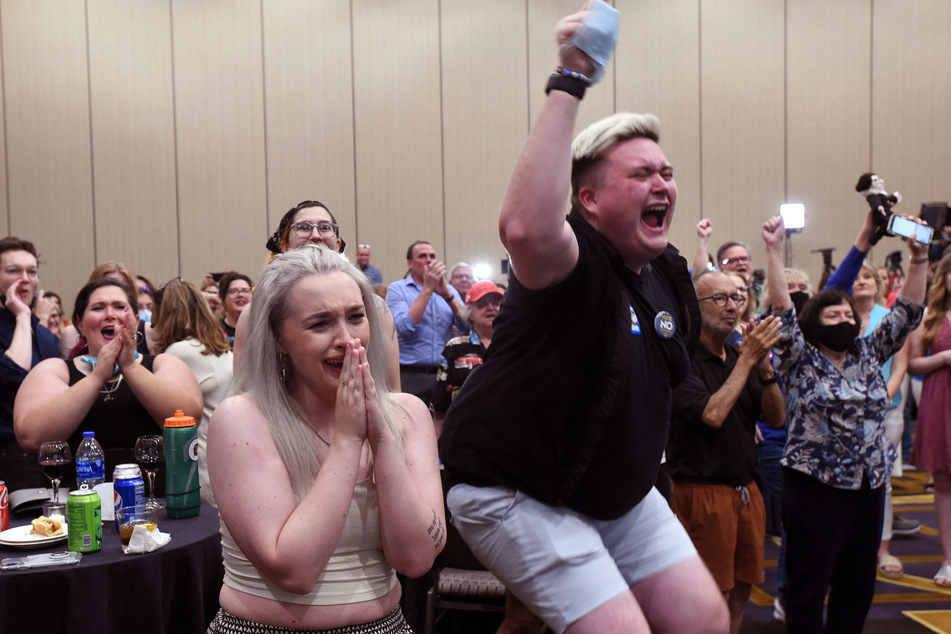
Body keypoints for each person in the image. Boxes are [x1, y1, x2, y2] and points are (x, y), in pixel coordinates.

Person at [439, 6, 727, 633]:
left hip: (612, 493)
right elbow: (522, 226)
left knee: (703, 619)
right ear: (589, 201)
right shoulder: (571, 259)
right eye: (642, 173)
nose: (663, 183)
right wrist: (571, 78)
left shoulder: (666, 272)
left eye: (667, 172)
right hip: (511, 490)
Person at [205, 244, 443, 633]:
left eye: (356, 317)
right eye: (320, 324)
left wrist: (383, 440)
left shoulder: (408, 413)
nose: (348, 339)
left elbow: (416, 559)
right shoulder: (243, 418)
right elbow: (293, 570)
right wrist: (349, 443)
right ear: (280, 339)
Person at [762, 212, 928, 633]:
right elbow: (782, 310)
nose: (842, 319)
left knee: (857, 587)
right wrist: (773, 250)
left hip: (868, 487)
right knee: (807, 587)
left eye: (847, 315)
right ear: (814, 324)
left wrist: (920, 259)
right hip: (815, 488)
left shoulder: (869, 353)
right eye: (831, 315)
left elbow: (906, 313)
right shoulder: (800, 359)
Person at [668, 272, 784, 634]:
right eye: (719, 299)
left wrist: (764, 372)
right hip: (701, 494)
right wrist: (749, 359)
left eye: (736, 297)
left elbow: (776, 417)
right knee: (709, 597)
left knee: (741, 591)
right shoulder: (681, 360)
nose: (731, 306)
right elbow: (712, 414)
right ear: (694, 307)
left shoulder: (738, 354)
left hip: (746, 491)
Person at [13, 278, 202, 485]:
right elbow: (30, 437)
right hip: (76, 502)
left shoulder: (162, 364)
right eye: (98, 308)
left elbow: (189, 418)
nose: (110, 315)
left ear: (136, 320)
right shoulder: (56, 370)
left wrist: (130, 367)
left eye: (120, 307)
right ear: (80, 324)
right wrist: (97, 377)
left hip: (156, 499)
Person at [235, 200, 401, 390]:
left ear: (338, 245)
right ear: (284, 247)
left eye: (325, 227)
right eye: (303, 227)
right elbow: (246, 389)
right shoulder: (255, 313)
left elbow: (391, 390)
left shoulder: (376, 308)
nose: (315, 235)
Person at [151, 277, 233, 507]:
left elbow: (165, 411)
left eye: (153, 312)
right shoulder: (217, 349)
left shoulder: (179, 352)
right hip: (225, 464)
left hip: (201, 469)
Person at [0, 237, 60, 491]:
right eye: (13, 271)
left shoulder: (43, 335)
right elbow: (13, 375)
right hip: (6, 454)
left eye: (32, 271)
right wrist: (23, 314)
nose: (25, 278)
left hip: (46, 455)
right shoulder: (24, 323)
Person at [908, 253, 951, 586]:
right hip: (941, 398)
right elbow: (913, 365)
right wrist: (943, 357)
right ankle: (949, 559)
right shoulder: (930, 316)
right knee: (943, 482)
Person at [387, 241, 466, 405]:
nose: (429, 260)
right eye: (422, 256)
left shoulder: (449, 290)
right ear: (410, 263)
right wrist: (428, 290)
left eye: (432, 256)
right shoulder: (397, 289)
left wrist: (448, 296)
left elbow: (467, 324)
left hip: (444, 373)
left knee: (444, 427)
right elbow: (403, 328)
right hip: (411, 375)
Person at [432, 280, 503, 435]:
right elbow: (440, 406)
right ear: (469, 312)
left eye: (496, 303)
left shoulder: (513, 344)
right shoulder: (455, 347)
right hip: (464, 435)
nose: (491, 308)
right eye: (482, 304)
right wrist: (437, 454)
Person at [216, 271, 253, 348]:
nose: (240, 294)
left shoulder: (261, 329)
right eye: (233, 291)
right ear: (222, 298)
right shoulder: (215, 330)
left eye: (245, 290)